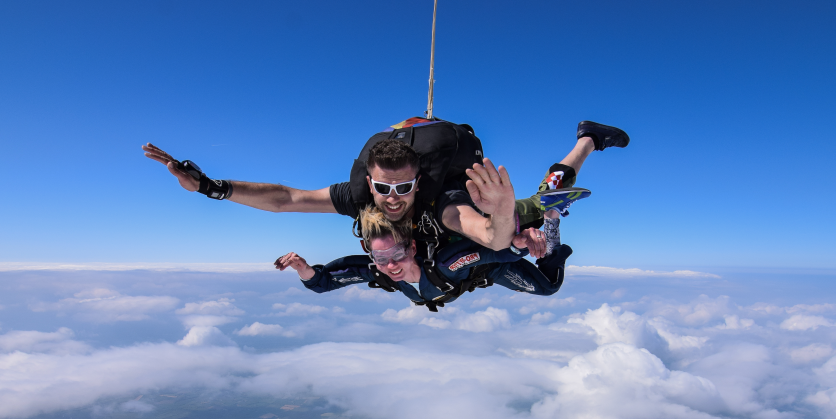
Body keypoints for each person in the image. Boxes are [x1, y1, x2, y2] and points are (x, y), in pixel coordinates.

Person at [143, 120, 628, 258]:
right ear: (369, 180)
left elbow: (492, 238)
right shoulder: (359, 194)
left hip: (483, 205)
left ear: (420, 181)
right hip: (427, 153)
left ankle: (587, 139)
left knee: (539, 210)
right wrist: (211, 187)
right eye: (382, 187)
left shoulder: (444, 201)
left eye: (403, 187)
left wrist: (503, 211)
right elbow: (286, 199)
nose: (392, 197)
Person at [274, 205, 574, 311]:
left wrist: (519, 245)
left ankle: (551, 221)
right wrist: (303, 269)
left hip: (488, 267)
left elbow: (485, 253)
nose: (390, 265)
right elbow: (324, 282)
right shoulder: (376, 271)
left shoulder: (445, 263)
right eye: (380, 257)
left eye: (397, 254)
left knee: (548, 286)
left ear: (413, 248)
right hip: (466, 274)